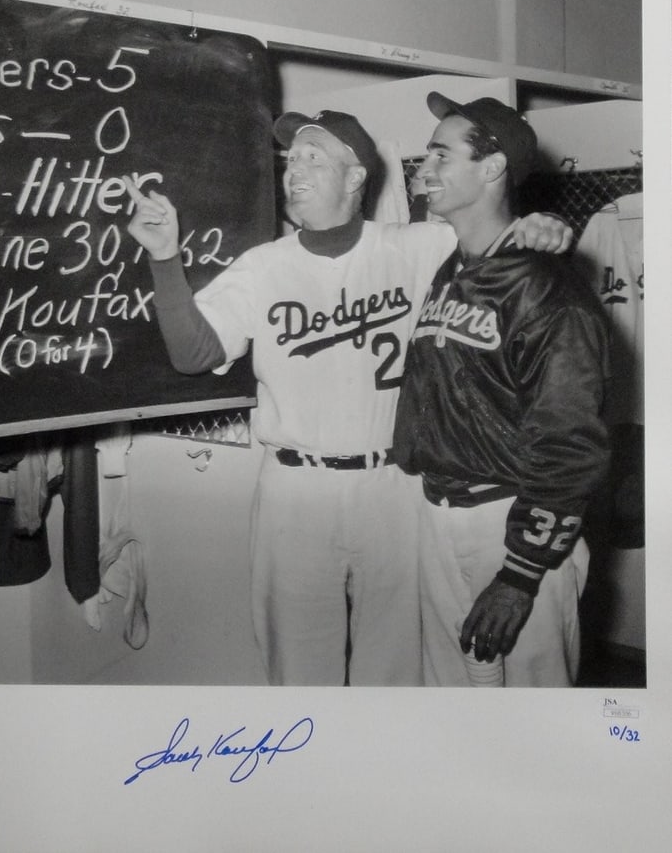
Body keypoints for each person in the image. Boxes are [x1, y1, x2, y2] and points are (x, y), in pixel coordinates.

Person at [123, 109, 570, 686]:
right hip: (294, 488)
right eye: (290, 160)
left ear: (356, 176)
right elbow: (193, 353)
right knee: (298, 669)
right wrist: (164, 258)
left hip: (393, 486)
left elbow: (497, 227)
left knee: (396, 670)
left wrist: (542, 225)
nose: (294, 169)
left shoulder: (418, 246)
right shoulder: (263, 266)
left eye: (313, 156)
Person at [392, 93, 610, 687]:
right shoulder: (451, 271)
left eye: (441, 154)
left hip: (509, 520)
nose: (423, 169)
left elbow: (570, 443)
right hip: (439, 513)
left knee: (535, 719)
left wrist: (521, 572)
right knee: (455, 708)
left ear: (492, 169)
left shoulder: (548, 289)